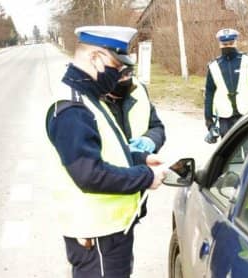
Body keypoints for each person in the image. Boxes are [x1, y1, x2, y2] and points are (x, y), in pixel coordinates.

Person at [45, 25, 167, 278]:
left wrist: (142, 158)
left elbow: (108, 152)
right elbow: (89, 174)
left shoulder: (90, 98)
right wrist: (146, 177)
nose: (120, 73)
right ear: (96, 57)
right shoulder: (73, 109)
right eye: (116, 65)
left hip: (111, 231)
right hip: (96, 236)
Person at [204, 28, 248, 141]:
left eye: (231, 43)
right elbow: (209, 92)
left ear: (236, 42)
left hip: (247, 113)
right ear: (220, 44)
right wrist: (208, 120)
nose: (228, 46)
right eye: (224, 44)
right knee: (229, 152)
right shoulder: (214, 66)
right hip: (225, 117)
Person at [106, 66, 166, 154]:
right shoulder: (89, 101)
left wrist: (150, 139)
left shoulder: (138, 90)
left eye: (128, 73)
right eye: (121, 76)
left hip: (141, 163)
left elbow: (156, 126)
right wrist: (120, 152)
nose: (126, 79)